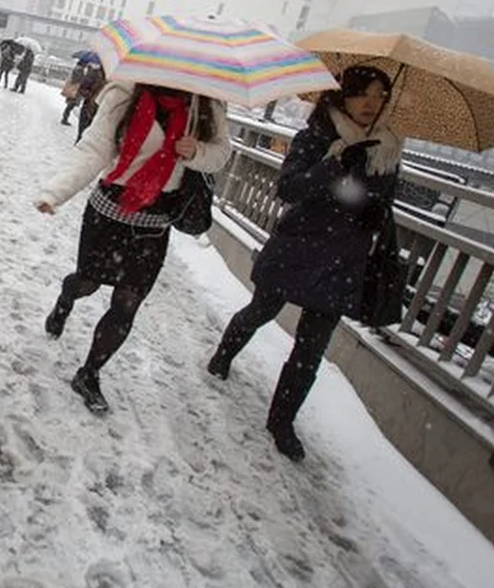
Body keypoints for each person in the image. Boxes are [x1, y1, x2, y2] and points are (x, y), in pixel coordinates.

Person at [206, 65, 402, 462]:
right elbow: (289, 187)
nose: (371, 102)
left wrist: (373, 208)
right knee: (262, 310)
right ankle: (223, 355)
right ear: (342, 95)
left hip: (343, 259)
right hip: (298, 247)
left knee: (311, 349)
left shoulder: (388, 147)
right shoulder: (317, 136)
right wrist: (336, 164)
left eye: (381, 95)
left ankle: (282, 421)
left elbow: (382, 199)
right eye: (363, 92)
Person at [36, 80, 232, 414]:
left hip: (156, 220)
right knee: (87, 282)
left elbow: (221, 154)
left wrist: (196, 151)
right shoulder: (124, 93)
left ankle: (89, 374)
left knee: (128, 302)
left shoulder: (207, 104)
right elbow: (94, 149)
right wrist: (56, 192)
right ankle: (66, 299)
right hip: (110, 211)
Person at [75, 64, 105, 143]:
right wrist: (90, 95)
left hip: (101, 112)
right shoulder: (94, 74)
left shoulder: (113, 80)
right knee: (82, 135)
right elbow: (82, 89)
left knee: (91, 139)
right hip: (88, 108)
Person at [60, 61, 88, 125]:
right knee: (71, 105)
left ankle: (65, 118)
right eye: (85, 64)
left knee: (70, 105)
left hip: (73, 90)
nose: (86, 66)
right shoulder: (78, 70)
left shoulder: (77, 69)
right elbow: (76, 80)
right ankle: (64, 119)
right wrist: (83, 78)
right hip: (74, 90)